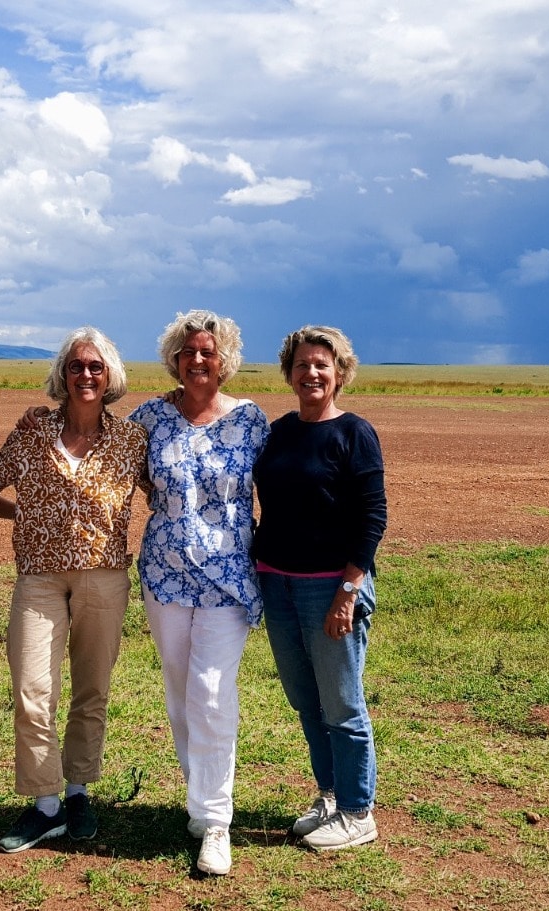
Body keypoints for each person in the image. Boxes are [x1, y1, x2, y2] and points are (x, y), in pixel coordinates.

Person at [0, 327, 148, 854]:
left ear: (111, 375)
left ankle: (77, 792)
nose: (86, 375)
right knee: (33, 691)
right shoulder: (32, 432)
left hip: (104, 576)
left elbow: (170, 496)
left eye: (96, 366)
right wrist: (25, 512)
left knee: (91, 691)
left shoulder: (131, 440)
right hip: (40, 578)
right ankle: (44, 804)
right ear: (62, 374)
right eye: (76, 366)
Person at [129, 311, 268, 876]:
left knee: (212, 692)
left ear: (224, 358)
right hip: (164, 577)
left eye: (208, 352)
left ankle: (215, 822)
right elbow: (134, 478)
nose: (198, 360)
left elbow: (281, 488)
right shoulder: (150, 419)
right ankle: (199, 796)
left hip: (229, 581)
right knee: (181, 690)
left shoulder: (251, 421)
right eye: (188, 352)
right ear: (175, 359)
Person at [251, 325, 387, 851]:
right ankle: (330, 795)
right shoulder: (280, 432)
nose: (312, 373)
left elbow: (373, 517)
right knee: (307, 702)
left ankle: (358, 812)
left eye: (322, 365)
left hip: (330, 587)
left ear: (340, 374)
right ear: (289, 372)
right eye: (303, 364)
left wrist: (350, 588)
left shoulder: (355, 433)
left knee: (343, 704)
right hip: (277, 584)